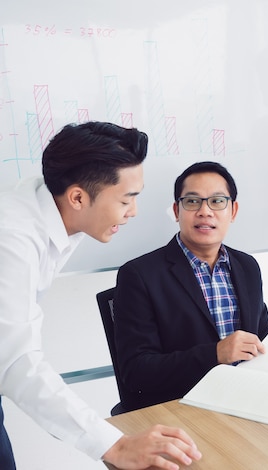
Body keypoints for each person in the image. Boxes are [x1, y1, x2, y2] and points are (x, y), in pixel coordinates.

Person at [0, 122, 202, 470]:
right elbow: (18, 363)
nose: (134, 211)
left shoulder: (51, 207)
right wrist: (114, 445)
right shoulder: (12, 240)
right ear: (78, 197)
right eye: (126, 199)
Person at [113, 161, 268, 412]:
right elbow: (137, 372)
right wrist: (215, 354)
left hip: (246, 401)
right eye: (192, 201)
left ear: (233, 210)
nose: (205, 211)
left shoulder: (247, 266)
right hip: (182, 409)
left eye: (217, 201)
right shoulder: (139, 275)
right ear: (177, 210)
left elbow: (262, 335)